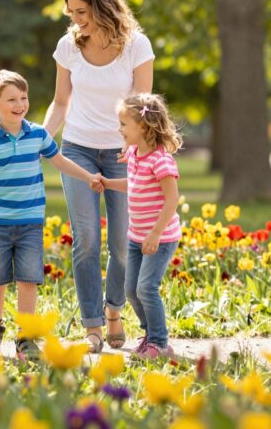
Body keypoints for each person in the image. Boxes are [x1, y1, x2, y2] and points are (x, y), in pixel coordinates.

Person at [43, 0, 154, 353]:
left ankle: (113, 311)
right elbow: (61, 102)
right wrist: (41, 139)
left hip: (124, 154)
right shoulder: (68, 46)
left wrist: (135, 145)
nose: (76, 20)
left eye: (83, 11)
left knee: (125, 242)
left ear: (103, 6)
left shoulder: (136, 45)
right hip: (78, 149)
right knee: (87, 240)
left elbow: (142, 105)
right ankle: (92, 325)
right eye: (72, 12)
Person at [0, 70, 103, 357]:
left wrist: (88, 175)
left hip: (30, 223)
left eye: (23, 97)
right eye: (11, 99)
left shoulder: (39, 134)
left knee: (28, 280)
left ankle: (26, 336)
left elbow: (60, 161)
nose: (20, 104)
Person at [100, 92, 182, 358]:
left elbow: (172, 200)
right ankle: (151, 335)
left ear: (143, 126)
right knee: (131, 291)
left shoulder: (161, 160)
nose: (119, 129)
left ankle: (160, 342)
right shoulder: (134, 154)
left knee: (146, 288)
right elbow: (134, 185)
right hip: (136, 236)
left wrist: (156, 234)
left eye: (124, 124)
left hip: (160, 237)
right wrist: (108, 183)